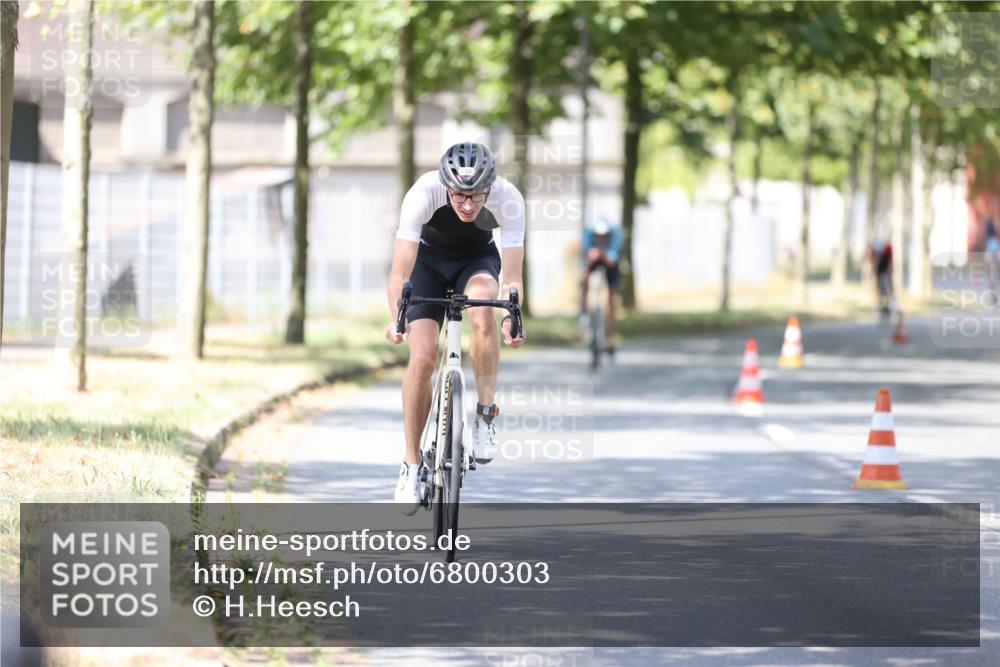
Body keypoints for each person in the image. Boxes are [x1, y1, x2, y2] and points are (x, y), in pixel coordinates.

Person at [385, 142, 527, 514]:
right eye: (460, 196)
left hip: (477, 262)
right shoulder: (423, 193)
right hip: (426, 265)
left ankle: (484, 414)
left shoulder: (508, 199)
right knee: (422, 356)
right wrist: (396, 317)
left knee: (483, 313)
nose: (467, 205)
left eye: (476, 196)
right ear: (445, 187)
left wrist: (512, 315)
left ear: (489, 189)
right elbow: (400, 271)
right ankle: (412, 463)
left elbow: (512, 277)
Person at [580, 215, 624, 352]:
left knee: (612, 297)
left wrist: (603, 254)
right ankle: (584, 311)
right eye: (598, 235)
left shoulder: (617, 234)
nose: (601, 238)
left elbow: (612, 259)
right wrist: (592, 255)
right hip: (594, 260)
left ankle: (611, 336)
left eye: (604, 235)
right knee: (584, 277)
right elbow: (587, 254)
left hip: (610, 261)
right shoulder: (587, 234)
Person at [870, 238, 894, 319]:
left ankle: (887, 306)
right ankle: (881, 305)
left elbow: (890, 262)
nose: (878, 255)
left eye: (879, 254)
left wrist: (888, 272)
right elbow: (873, 262)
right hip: (879, 270)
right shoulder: (873, 251)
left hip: (886, 270)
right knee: (879, 289)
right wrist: (873, 272)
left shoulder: (888, 248)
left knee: (886, 288)